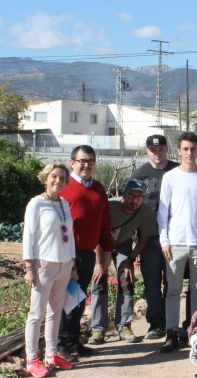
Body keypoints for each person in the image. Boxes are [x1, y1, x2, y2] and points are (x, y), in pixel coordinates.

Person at [158, 132, 197, 352]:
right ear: (179, 151)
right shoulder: (170, 177)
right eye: (185, 149)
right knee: (172, 290)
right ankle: (171, 332)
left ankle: (195, 331)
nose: (189, 153)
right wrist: (165, 240)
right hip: (175, 242)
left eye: (193, 149)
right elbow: (163, 212)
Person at [58, 145, 113, 360]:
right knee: (67, 301)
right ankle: (62, 345)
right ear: (72, 163)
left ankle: (74, 341)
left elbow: (104, 223)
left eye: (90, 161)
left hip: (88, 253)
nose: (86, 165)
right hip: (67, 254)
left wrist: (106, 250)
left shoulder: (98, 188)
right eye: (82, 160)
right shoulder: (64, 187)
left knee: (79, 300)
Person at [23, 163, 76, 377]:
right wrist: (29, 266)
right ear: (46, 178)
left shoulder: (64, 203)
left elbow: (69, 235)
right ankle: (32, 358)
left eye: (62, 178)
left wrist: (72, 263)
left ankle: (52, 354)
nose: (58, 181)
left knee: (56, 311)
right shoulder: (37, 203)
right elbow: (29, 236)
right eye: (54, 176)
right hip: (44, 264)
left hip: (64, 264)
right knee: (36, 313)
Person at [130, 134, 179, 339]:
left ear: (167, 149)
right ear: (146, 151)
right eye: (153, 150)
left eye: (161, 149)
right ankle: (155, 323)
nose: (157, 154)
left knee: (172, 281)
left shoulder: (177, 170)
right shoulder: (139, 174)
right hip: (148, 238)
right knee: (151, 282)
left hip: (175, 236)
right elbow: (131, 205)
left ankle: (171, 323)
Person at [106, 179, 157, 343]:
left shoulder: (146, 211)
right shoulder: (108, 207)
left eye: (139, 196)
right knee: (98, 280)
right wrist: (101, 261)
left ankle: (124, 325)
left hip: (123, 243)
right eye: (131, 195)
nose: (135, 200)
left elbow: (145, 236)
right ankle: (97, 328)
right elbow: (96, 231)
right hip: (101, 243)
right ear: (124, 194)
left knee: (126, 280)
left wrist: (131, 259)